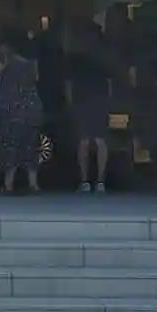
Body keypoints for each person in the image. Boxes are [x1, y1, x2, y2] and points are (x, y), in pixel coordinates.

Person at [0, 39, 44, 195]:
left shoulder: (6, 59)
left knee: (10, 147)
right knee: (30, 147)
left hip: (13, 110)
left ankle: (8, 184)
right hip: (32, 111)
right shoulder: (30, 64)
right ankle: (33, 184)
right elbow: (35, 79)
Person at [69, 26, 113, 195]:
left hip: (82, 101)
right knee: (100, 140)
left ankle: (85, 181)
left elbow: (69, 84)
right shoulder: (105, 58)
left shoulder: (76, 59)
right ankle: (100, 181)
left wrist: (71, 103)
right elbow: (109, 83)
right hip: (99, 101)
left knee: (84, 141)